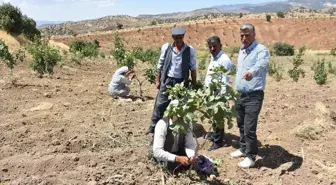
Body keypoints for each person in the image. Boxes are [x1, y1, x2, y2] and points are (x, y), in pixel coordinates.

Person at [145, 26, 197, 135]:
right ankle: (153, 126)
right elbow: (160, 65)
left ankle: (178, 129)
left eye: (180, 38)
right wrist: (158, 80)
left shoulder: (189, 50)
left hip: (181, 82)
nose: (178, 40)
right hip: (167, 80)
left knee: (180, 106)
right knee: (160, 104)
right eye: (175, 38)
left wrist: (194, 83)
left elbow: (193, 68)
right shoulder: (166, 48)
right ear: (172, 37)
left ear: (183, 37)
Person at [231, 23, 270, 168]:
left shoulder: (261, 50)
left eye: (247, 35)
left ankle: (251, 157)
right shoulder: (242, 50)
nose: (244, 38)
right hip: (240, 94)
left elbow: (262, 64)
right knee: (240, 124)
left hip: (254, 96)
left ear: (254, 35)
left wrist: (251, 72)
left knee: (249, 128)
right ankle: (243, 148)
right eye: (242, 35)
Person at [204, 36, 233, 151]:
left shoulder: (224, 60)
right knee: (214, 117)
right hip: (211, 93)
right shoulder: (214, 57)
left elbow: (224, 80)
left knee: (218, 117)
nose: (212, 48)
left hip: (219, 94)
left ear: (220, 46)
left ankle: (218, 142)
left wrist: (221, 98)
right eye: (210, 46)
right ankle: (216, 136)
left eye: (214, 46)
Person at [152, 100, 196, 171]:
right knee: (171, 167)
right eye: (178, 115)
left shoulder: (187, 124)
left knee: (198, 162)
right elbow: (157, 152)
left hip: (179, 153)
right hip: (165, 156)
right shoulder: (162, 124)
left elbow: (189, 145)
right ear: (171, 113)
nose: (180, 118)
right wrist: (177, 158)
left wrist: (191, 156)